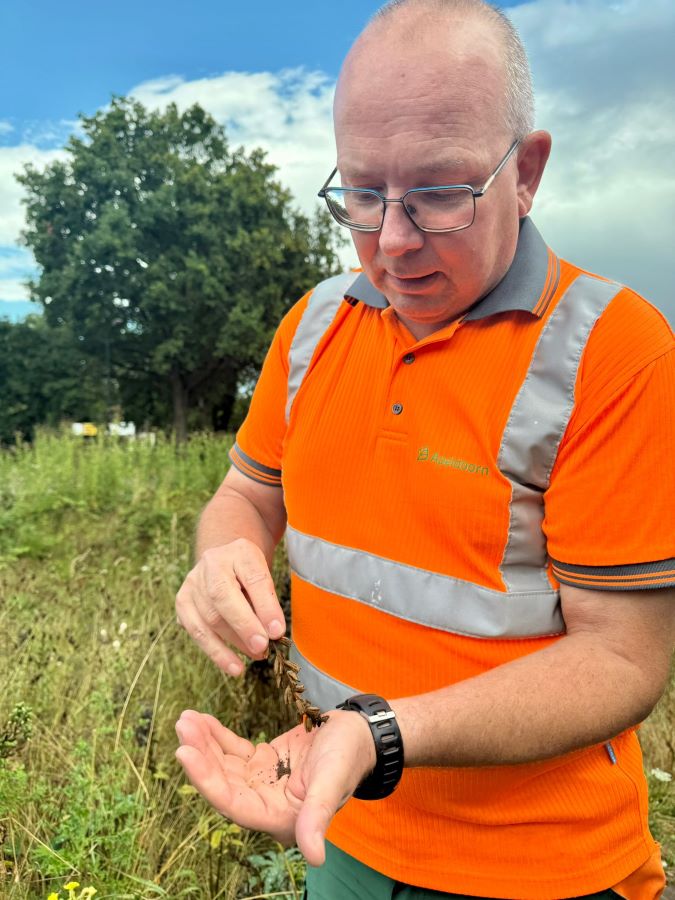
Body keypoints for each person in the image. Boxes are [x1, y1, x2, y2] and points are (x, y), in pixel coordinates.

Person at [174, 1, 675, 897]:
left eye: (439, 193)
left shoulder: (614, 353)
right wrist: (222, 558)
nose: (391, 241)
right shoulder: (315, 326)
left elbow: (622, 659)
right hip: (333, 818)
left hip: (536, 867)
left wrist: (379, 734)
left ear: (525, 173)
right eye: (361, 194)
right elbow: (245, 495)